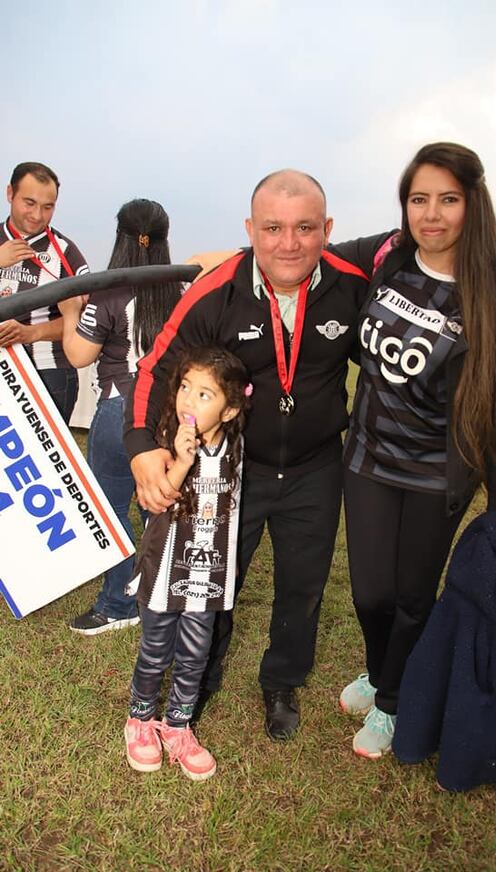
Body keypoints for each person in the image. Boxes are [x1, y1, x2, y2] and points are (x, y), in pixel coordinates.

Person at [124, 170, 371, 741]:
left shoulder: (352, 284)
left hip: (315, 465)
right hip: (234, 471)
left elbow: (410, 242)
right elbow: (156, 369)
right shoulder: (217, 291)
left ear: (327, 229)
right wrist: (142, 450)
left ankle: (282, 682)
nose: (289, 243)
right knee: (215, 580)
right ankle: (200, 676)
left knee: (303, 586)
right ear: (250, 231)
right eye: (273, 228)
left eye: (306, 228)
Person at [329, 142, 496, 759]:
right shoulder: (389, 258)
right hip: (366, 456)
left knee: (412, 596)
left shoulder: (495, 294)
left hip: (435, 470)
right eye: (420, 199)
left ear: (473, 205)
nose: (432, 214)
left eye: (448, 199)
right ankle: (382, 668)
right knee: (369, 593)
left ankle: (392, 701)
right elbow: (306, 253)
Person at [123, 346, 250, 780]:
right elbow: (158, 500)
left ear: (230, 410)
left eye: (204, 394)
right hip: (164, 570)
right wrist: (181, 460)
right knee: (156, 649)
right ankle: (140, 721)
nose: (187, 400)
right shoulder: (165, 438)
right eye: (184, 387)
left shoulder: (237, 442)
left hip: (209, 572)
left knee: (195, 654)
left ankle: (177, 726)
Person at [58, 199, 183, 634]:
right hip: (168, 414)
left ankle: (116, 604)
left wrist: (70, 309)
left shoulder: (108, 291)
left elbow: (78, 355)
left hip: (118, 411)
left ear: (122, 237)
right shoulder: (180, 290)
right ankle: (160, 600)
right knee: (160, 508)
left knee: (110, 510)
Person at [0, 161, 89, 422]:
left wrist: (32, 333)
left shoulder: (67, 252)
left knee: (43, 463)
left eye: (47, 207)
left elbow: (88, 319)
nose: (37, 215)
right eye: (29, 202)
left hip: (49, 373)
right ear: (9, 194)